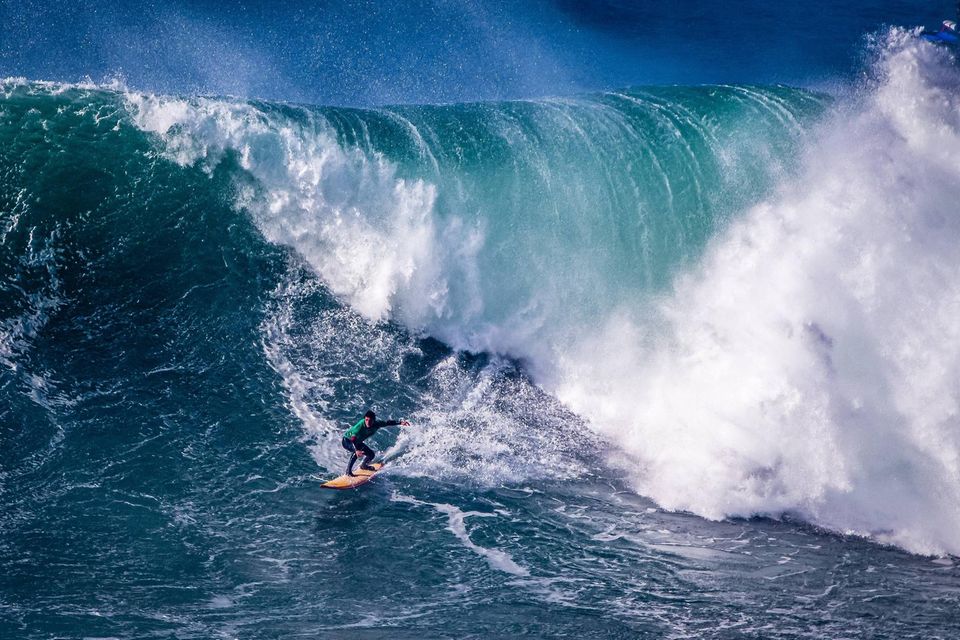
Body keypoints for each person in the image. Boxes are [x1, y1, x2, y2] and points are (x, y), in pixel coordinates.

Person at [342, 410, 410, 476]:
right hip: (347, 441)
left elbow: (387, 422)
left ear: (374, 420)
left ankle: (364, 466)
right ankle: (348, 472)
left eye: (370, 420)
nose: (368, 422)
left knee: (371, 454)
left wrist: (400, 422)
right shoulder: (359, 426)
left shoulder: (377, 424)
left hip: (357, 442)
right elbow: (353, 439)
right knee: (356, 453)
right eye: (366, 420)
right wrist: (356, 450)